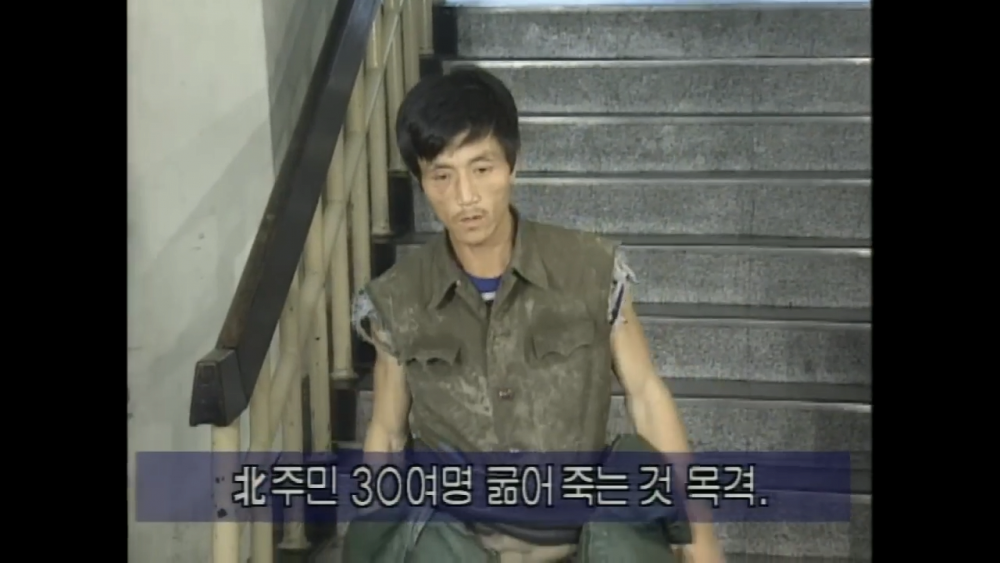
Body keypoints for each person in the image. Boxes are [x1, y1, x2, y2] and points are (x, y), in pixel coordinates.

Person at [343, 67, 725, 563]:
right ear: (421, 181)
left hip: (583, 539)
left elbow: (646, 396)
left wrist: (702, 544)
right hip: (458, 544)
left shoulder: (590, 269)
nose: (465, 197)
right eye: (442, 175)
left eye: (482, 169)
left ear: (513, 164)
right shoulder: (397, 298)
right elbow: (388, 432)